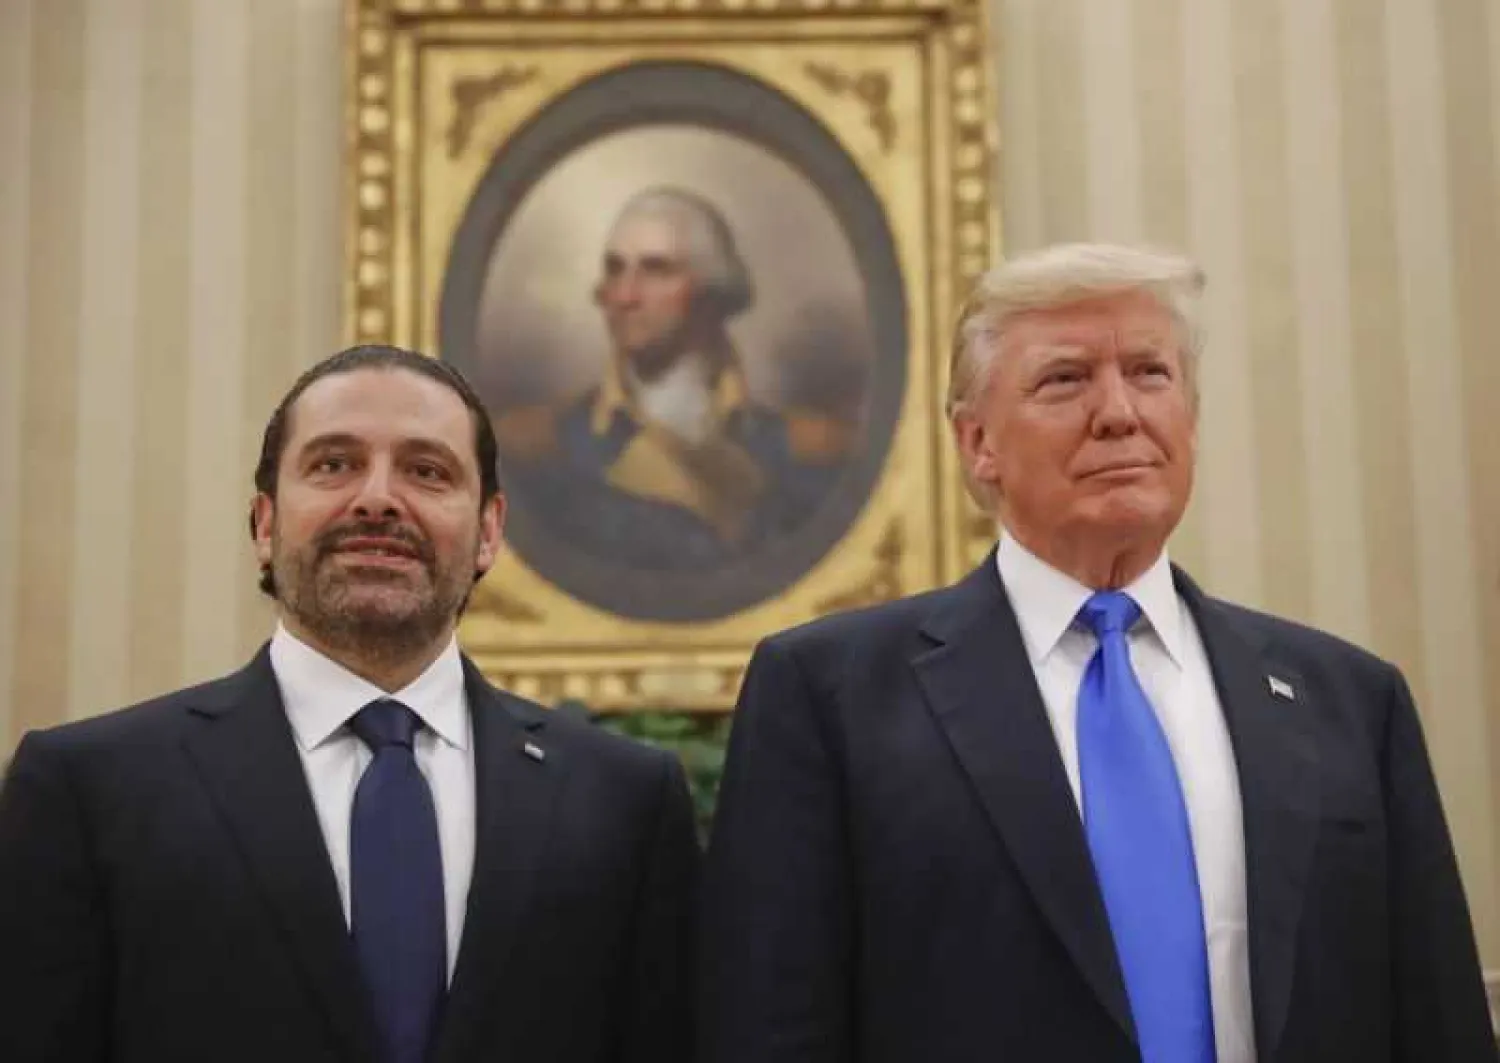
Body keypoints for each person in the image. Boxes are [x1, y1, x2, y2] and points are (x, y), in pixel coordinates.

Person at [699, 244, 1496, 1063]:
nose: (1119, 412)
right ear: (978, 443)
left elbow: (1436, 1018)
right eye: (1065, 380)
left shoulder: (1350, 700)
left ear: (1189, 418)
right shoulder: (833, 695)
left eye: (1150, 373)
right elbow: (768, 1026)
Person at [0, 345, 699, 1063]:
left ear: (489, 531)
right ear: (265, 524)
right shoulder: (88, 790)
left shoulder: (626, 802)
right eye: (333, 464)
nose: (377, 499)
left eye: (427, 471)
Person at [496, 187, 850, 571]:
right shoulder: (540, 448)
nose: (625, 295)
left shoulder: (807, 451)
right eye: (615, 269)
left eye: (655, 270)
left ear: (710, 291)